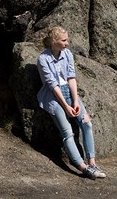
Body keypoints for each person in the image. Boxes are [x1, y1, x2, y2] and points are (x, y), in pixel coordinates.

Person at [36, 26, 106, 179]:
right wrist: (66, 106)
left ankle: (92, 163)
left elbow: (71, 78)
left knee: (86, 122)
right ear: (54, 41)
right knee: (67, 132)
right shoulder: (43, 58)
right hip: (54, 97)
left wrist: (75, 101)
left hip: (69, 92)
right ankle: (83, 167)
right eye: (64, 40)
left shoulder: (67, 54)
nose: (67, 43)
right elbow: (52, 85)